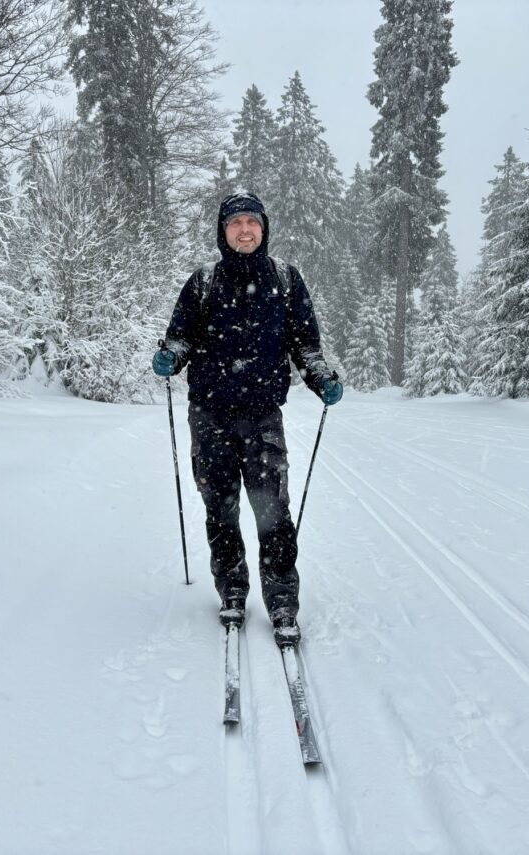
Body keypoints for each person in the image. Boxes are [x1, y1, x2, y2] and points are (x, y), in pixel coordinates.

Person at [151, 191, 342, 647]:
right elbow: (180, 339)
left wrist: (321, 378)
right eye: (234, 222)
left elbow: (305, 346)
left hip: (262, 418)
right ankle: (232, 590)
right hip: (210, 415)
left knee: (272, 512)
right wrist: (169, 357)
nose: (243, 229)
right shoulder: (202, 282)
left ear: (263, 228)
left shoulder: (286, 280)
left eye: (251, 222)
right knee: (220, 509)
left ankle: (281, 600)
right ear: (223, 231)